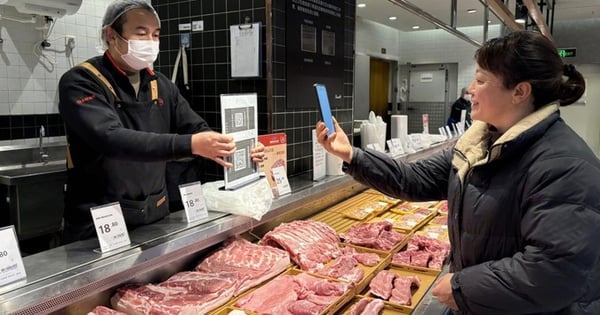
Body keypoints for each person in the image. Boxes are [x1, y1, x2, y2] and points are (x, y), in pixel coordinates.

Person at [316, 30, 600, 314]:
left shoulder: (564, 165)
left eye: (481, 80)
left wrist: (462, 287)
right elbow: (414, 179)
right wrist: (351, 154)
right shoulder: (482, 145)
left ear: (519, 92)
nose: (470, 90)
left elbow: (555, 271)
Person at [58, 0, 263, 244]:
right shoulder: (81, 81)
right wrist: (191, 145)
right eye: (141, 33)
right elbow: (110, 138)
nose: (150, 42)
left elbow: (196, 128)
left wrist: (234, 147)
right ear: (111, 35)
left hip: (154, 213)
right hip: (100, 220)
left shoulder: (161, 84)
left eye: (155, 35)